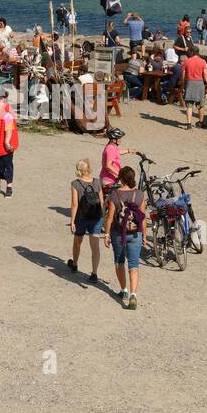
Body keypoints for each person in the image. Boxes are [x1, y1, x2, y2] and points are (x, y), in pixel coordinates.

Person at [105, 165, 147, 311]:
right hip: (136, 233)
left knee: (119, 262)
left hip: (118, 233)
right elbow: (142, 218)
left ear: (121, 178)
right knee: (134, 265)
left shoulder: (114, 195)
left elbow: (110, 217)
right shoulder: (140, 194)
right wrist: (145, 235)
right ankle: (134, 294)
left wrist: (106, 234)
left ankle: (124, 291)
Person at [68, 158, 104, 282]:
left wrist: (72, 221)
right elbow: (102, 202)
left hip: (81, 217)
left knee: (78, 241)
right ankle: (94, 273)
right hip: (96, 217)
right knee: (95, 246)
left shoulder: (75, 184)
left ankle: (75, 264)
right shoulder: (98, 182)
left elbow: (74, 204)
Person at [180, 45, 207, 129]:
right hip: (199, 83)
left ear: (191, 52)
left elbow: (183, 75)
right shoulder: (202, 61)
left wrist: (183, 85)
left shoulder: (186, 62)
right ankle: (200, 122)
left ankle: (189, 124)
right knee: (201, 105)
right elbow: (205, 74)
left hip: (190, 83)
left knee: (189, 105)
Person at [100, 127, 136, 193]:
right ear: (114, 140)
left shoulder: (111, 147)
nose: (120, 140)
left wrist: (129, 150)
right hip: (109, 180)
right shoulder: (110, 149)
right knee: (127, 193)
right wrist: (121, 175)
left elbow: (117, 152)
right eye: (119, 138)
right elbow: (108, 165)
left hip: (109, 179)